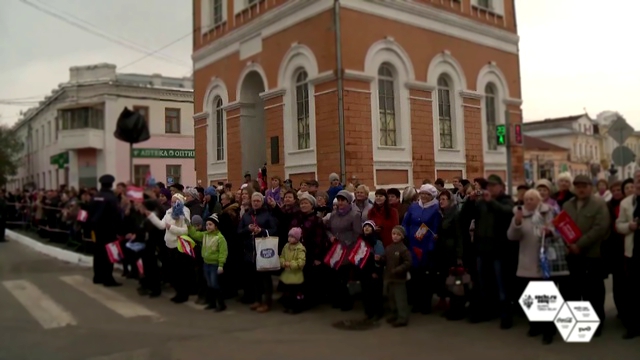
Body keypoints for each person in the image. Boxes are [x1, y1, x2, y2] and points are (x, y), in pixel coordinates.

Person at [562, 174, 610, 336]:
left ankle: (596, 323)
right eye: (578, 186)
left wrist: (579, 245)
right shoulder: (568, 205)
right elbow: (562, 225)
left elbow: (600, 228)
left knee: (593, 292)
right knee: (573, 290)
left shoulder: (599, 204)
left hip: (592, 255)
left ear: (591, 187)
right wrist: (569, 245)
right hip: (572, 255)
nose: (581, 189)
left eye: (584, 186)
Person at [187, 214, 228, 312]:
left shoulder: (220, 238)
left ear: (216, 226)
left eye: (210, 224)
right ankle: (212, 303)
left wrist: (221, 265)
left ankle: (221, 304)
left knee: (215, 284)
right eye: (207, 224)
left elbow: (223, 252)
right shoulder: (204, 235)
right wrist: (189, 226)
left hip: (215, 264)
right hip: (206, 263)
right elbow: (195, 235)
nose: (208, 226)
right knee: (209, 284)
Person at [88, 174, 122, 287]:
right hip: (109, 230)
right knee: (109, 254)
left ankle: (97, 276)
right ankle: (108, 279)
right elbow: (116, 215)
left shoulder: (95, 196)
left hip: (96, 230)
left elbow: (90, 212)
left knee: (98, 253)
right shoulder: (112, 198)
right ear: (111, 184)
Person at [382, 226, 412, 327]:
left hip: (399, 278)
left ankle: (402, 318)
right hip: (389, 277)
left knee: (400, 299)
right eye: (394, 234)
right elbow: (385, 259)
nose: (395, 236)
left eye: (398, 235)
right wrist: (380, 259)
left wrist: (399, 269)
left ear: (402, 236)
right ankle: (394, 314)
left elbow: (408, 262)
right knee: (392, 298)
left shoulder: (403, 249)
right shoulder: (389, 247)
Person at [279, 227, 307, 314]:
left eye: (293, 237)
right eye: (289, 236)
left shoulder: (300, 248)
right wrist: (283, 263)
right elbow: (281, 256)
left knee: (295, 292)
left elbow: (301, 262)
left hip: (296, 275)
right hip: (287, 274)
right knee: (287, 292)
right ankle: (288, 306)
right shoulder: (286, 246)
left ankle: (297, 307)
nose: (290, 238)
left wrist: (290, 264)